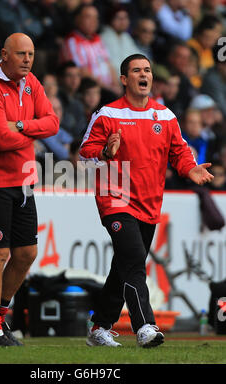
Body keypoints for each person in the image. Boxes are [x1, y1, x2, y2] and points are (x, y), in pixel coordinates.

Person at [79, 53, 214, 348]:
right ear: (124, 80)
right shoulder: (108, 114)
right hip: (115, 200)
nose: (144, 75)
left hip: (149, 203)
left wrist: (189, 167)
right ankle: (145, 327)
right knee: (134, 264)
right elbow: (84, 152)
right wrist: (104, 152)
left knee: (125, 266)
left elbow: (180, 151)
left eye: (148, 70)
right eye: (137, 70)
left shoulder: (164, 116)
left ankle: (99, 326)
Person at [0, 33, 59, 347]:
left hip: (23, 180)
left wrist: (21, 126)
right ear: (4, 55)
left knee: (26, 253)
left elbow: (53, 122)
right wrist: (33, 130)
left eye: (31, 54)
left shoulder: (31, 82)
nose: (27, 60)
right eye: (21, 54)